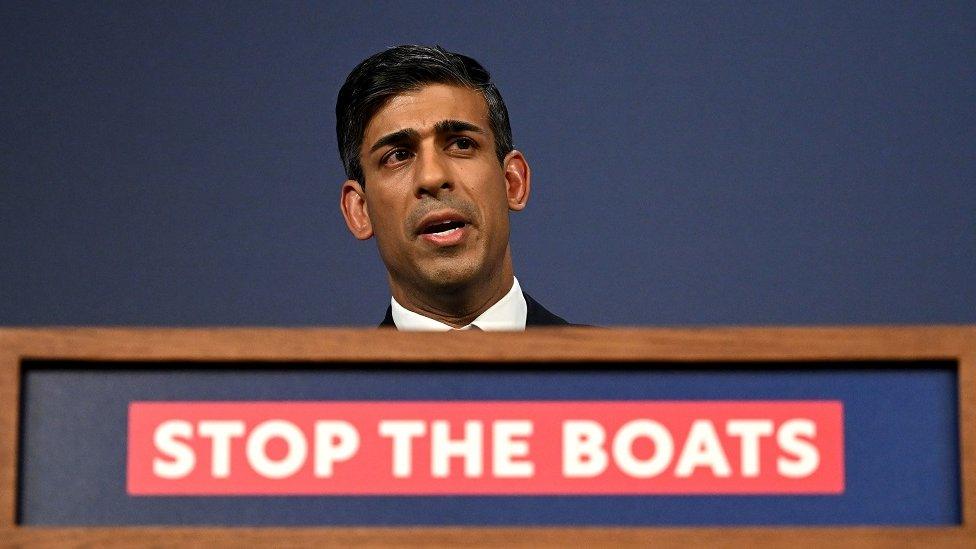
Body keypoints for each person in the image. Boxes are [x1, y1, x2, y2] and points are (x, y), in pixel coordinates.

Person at [337, 45, 572, 330]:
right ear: (360, 211)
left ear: (513, 182)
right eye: (398, 155)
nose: (432, 177)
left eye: (462, 144)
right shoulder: (337, 377)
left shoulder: (616, 373)